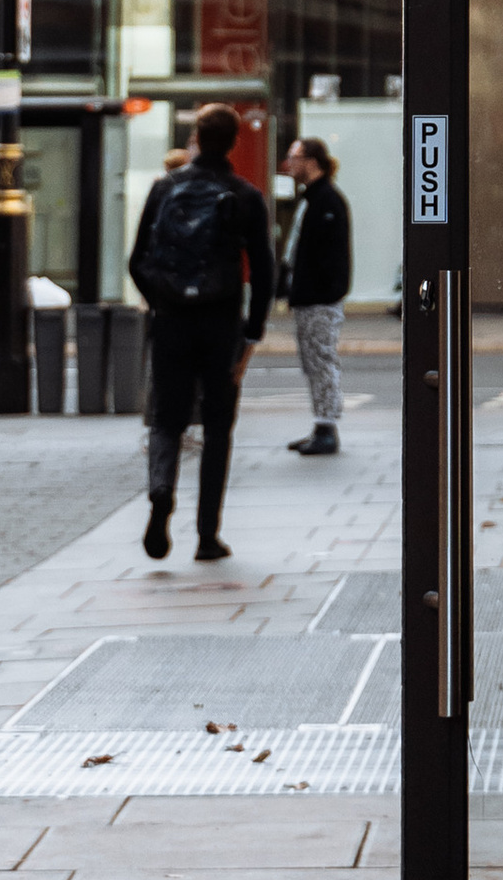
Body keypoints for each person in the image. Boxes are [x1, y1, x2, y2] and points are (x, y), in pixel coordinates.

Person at [129, 104, 272, 562]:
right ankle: (207, 535)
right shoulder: (244, 195)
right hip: (221, 324)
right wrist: (251, 333)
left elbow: (137, 261)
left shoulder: (164, 188)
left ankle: (160, 494)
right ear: (233, 142)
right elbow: (265, 272)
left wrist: (163, 303)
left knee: (167, 419)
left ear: (195, 137)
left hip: (172, 321)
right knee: (217, 428)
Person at [280, 133, 352, 456]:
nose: (289, 164)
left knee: (321, 360)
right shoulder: (312, 198)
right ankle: (321, 424)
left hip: (319, 298)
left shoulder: (327, 201)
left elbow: (329, 257)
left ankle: (327, 427)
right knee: (313, 361)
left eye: (295, 158)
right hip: (310, 295)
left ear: (311, 162)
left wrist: (323, 289)